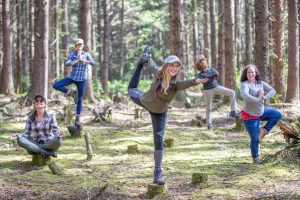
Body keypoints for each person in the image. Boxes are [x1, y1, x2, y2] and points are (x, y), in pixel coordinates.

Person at [128, 46, 208, 185]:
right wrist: (147, 58)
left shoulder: (175, 84)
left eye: (177, 66)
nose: (174, 68)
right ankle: (140, 62)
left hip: (159, 112)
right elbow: (152, 65)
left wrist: (197, 81)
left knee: (158, 140)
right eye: (171, 65)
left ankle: (157, 173)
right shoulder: (158, 73)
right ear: (166, 66)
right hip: (144, 101)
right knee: (130, 89)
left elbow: (186, 83)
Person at [240, 64, 282, 164]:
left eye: (252, 72)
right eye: (249, 72)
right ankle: (255, 159)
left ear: (256, 73)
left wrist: (265, 97)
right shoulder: (244, 84)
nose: (251, 73)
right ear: (246, 74)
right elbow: (245, 96)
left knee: (277, 115)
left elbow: (273, 91)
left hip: (261, 112)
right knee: (254, 138)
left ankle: (264, 130)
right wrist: (258, 99)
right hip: (250, 116)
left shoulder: (260, 83)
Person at [53, 38, 95, 126]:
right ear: (75, 46)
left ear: (83, 46)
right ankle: (71, 93)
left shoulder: (86, 55)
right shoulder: (72, 55)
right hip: (72, 78)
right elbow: (67, 64)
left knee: (79, 99)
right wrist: (77, 60)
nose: (79, 46)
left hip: (82, 80)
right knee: (56, 85)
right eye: (78, 45)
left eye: (81, 45)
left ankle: (77, 119)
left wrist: (83, 60)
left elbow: (93, 63)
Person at [194, 55, 239, 129]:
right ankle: (209, 124)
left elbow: (216, 74)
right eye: (202, 63)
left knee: (232, 93)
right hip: (207, 91)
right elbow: (201, 81)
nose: (204, 63)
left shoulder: (211, 69)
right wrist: (208, 77)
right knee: (208, 108)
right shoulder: (200, 74)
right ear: (200, 66)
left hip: (216, 87)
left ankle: (233, 112)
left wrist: (207, 77)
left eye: (204, 61)